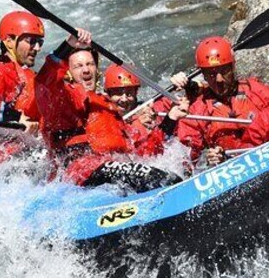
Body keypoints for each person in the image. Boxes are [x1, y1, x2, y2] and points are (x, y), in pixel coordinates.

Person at [36, 31, 188, 190]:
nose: (86, 70)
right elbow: (44, 84)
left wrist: (171, 118)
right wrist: (67, 46)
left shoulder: (107, 108)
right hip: (78, 174)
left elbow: (142, 153)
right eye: (78, 66)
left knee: (167, 177)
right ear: (69, 73)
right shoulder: (64, 102)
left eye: (90, 64)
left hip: (107, 173)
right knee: (157, 179)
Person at [176, 36, 269, 166]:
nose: (219, 80)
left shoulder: (257, 92)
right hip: (228, 169)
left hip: (266, 161)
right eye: (212, 74)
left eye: (224, 71)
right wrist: (208, 160)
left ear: (233, 67)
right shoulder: (197, 110)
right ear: (203, 75)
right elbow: (188, 159)